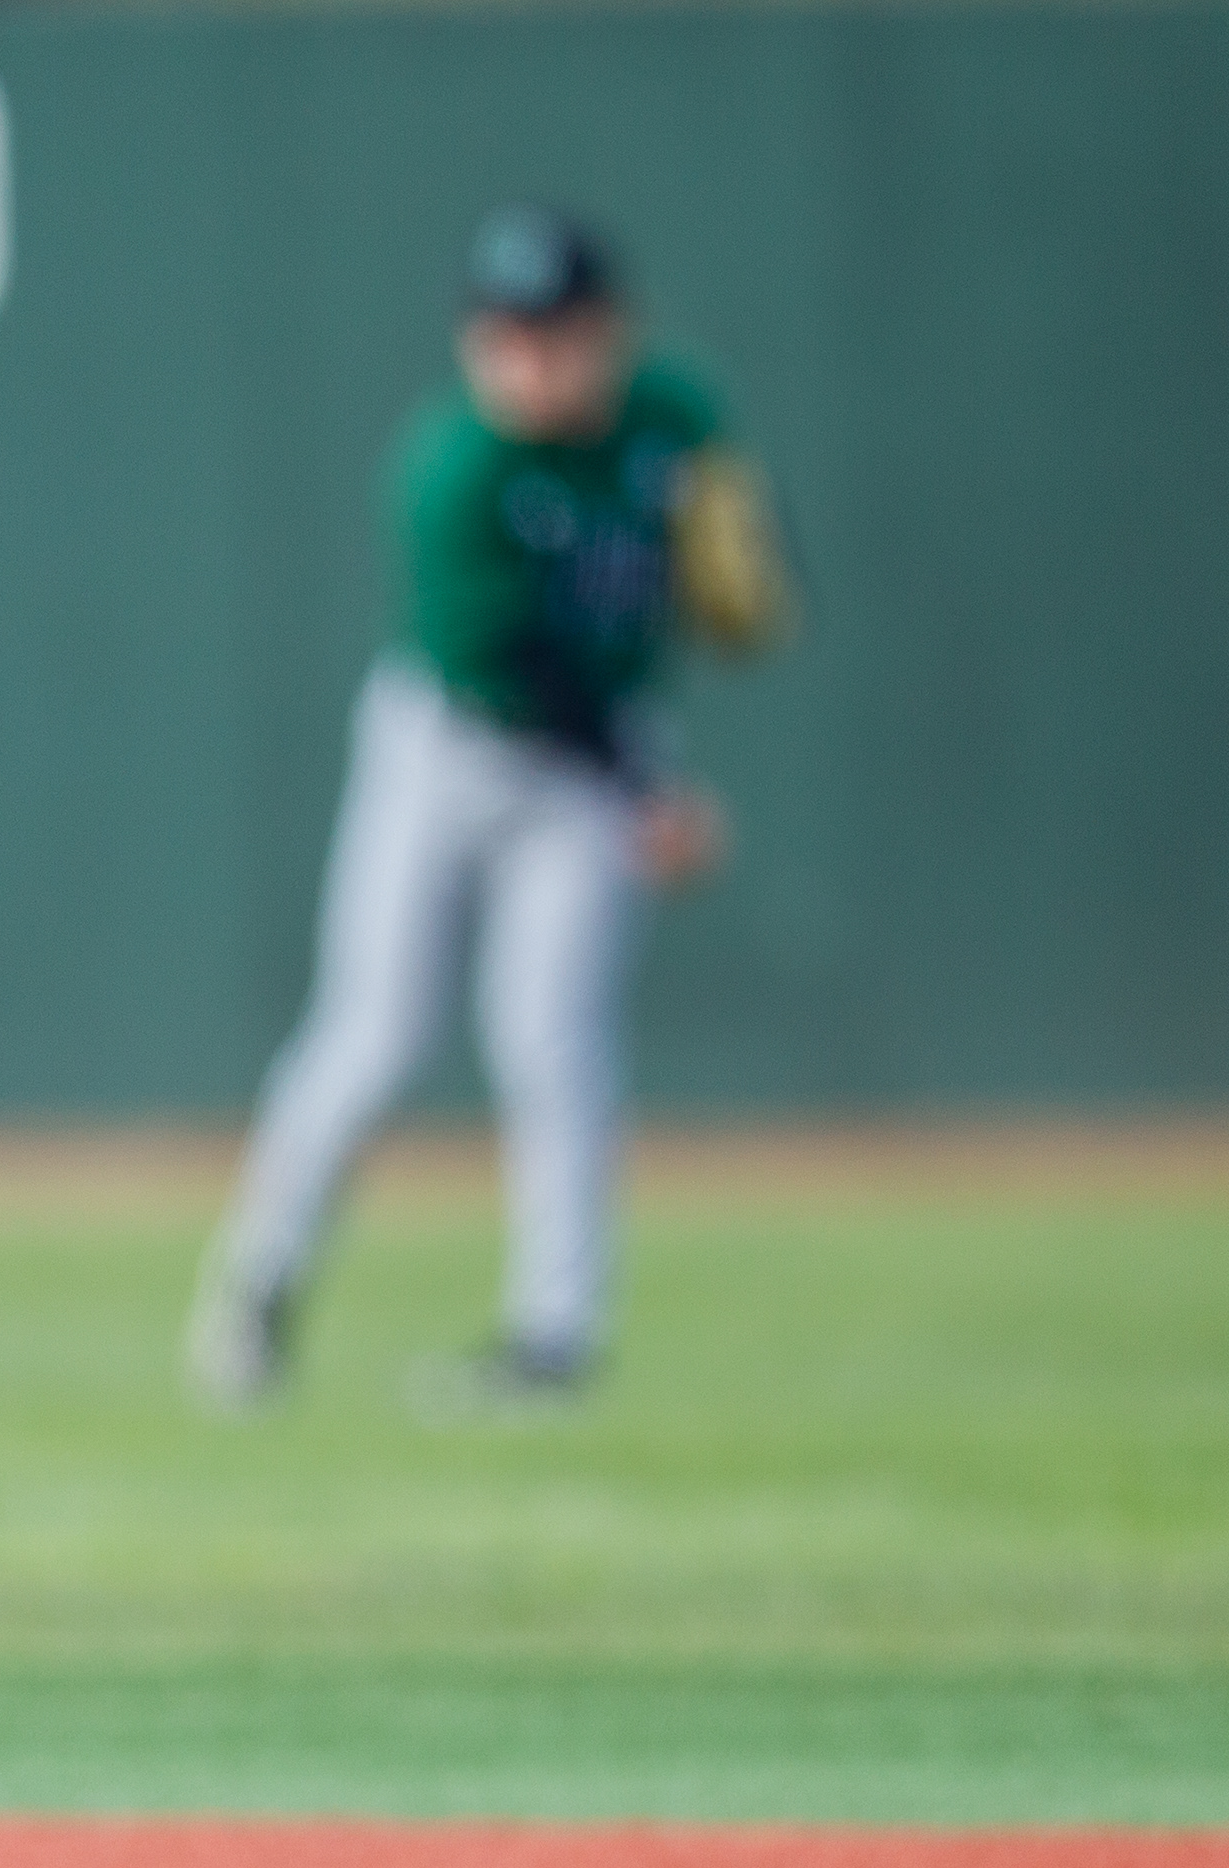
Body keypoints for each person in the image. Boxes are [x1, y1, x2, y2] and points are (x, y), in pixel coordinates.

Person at [187, 204, 794, 1414]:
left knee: (554, 1039)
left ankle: (554, 1335)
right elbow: (511, 668)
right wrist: (652, 792)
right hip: (454, 746)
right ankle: (260, 1281)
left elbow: (746, 580)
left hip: (595, 770)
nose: (524, 357)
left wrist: (755, 578)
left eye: (553, 333)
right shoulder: (451, 469)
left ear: (610, 333)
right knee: (371, 1036)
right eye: (504, 332)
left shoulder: (673, 418)